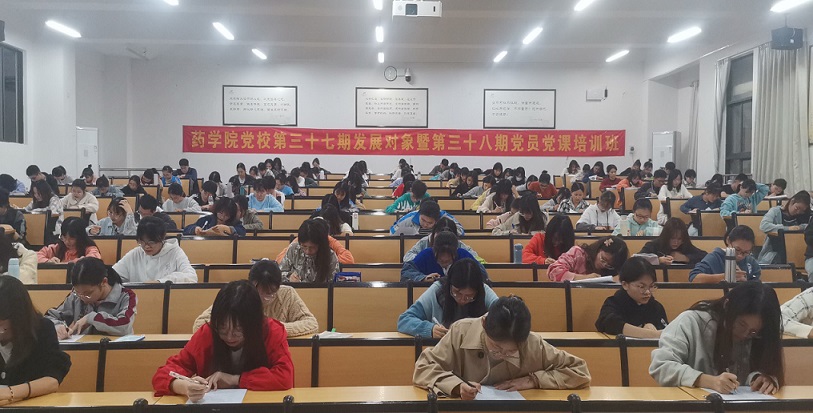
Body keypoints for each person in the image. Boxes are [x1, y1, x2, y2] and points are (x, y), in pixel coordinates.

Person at [413, 296, 590, 398]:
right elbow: (424, 367)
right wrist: (456, 386)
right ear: (484, 323)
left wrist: (534, 380)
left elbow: (580, 371)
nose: (501, 355)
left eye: (511, 351)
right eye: (495, 347)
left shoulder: (532, 343)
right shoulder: (461, 331)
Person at [153, 280, 294, 400]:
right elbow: (163, 374)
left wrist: (235, 379)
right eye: (222, 329)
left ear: (254, 324)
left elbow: (285, 377)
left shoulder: (271, 332)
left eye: (238, 330)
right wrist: (184, 387)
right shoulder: (207, 333)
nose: (229, 337)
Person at [649, 282, 783, 395]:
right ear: (727, 306)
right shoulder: (691, 321)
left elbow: (762, 368)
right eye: (741, 324)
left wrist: (761, 379)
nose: (744, 334)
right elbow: (661, 366)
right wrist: (708, 381)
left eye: (753, 332)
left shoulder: (759, 336)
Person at [193, 260, 318, 337]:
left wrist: (273, 329)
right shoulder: (238, 293)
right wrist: (237, 328)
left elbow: (311, 323)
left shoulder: (287, 294)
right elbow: (199, 324)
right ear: (250, 283)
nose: (264, 299)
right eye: (258, 293)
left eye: (270, 293)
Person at [0, 275, 72, 406]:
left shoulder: (42, 330)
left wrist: (9, 392)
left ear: (18, 316)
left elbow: (52, 381)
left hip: (30, 406)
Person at [398, 259, 497, 338]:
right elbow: (404, 320)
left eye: (469, 296)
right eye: (457, 293)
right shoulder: (438, 289)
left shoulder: (484, 291)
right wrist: (429, 329)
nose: (462, 300)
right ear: (449, 285)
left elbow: (502, 317)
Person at [45, 257, 136, 338]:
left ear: (103, 282)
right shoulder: (76, 296)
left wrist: (91, 318)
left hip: (115, 349)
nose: (82, 298)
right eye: (78, 293)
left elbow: (125, 326)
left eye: (88, 294)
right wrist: (58, 326)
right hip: (83, 347)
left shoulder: (125, 296)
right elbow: (49, 317)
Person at [595, 257, 668, 339]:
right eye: (641, 286)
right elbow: (609, 323)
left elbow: (666, 331)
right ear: (625, 285)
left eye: (651, 286)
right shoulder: (614, 303)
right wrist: (649, 334)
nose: (647, 292)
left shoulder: (656, 307)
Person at [113, 217, 197, 283]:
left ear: (162, 238)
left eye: (151, 242)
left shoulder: (175, 252)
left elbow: (191, 277)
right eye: (142, 242)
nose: (146, 247)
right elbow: (114, 274)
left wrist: (160, 282)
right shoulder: (136, 253)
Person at [689, 225, 761, 283]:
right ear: (728, 241)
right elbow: (694, 278)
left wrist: (746, 283)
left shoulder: (751, 262)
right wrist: (726, 277)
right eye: (737, 249)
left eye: (746, 252)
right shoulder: (715, 257)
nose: (740, 255)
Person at [402, 231, 479, 282]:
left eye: (448, 261)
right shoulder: (426, 254)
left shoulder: (464, 256)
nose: (444, 262)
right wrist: (423, 278)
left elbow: (481, 274)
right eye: (440, 260)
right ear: (434, 251)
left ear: (455, 252)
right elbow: (406, 272)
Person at [757, 191, 810, 264]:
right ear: (792, 201)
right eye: (797, 208)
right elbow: (764, 226)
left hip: (795, 252)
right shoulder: (775, 211)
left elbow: (808, 226)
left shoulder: (802, 216)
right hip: (774, 251)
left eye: (802, 211)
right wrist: (788, 229)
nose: (798, 212)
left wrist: (800, 227)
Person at [403, 217, 486, 264]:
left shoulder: (459, 245)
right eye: (440, 235)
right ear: (434, 233)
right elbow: (407, 257)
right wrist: (425, 258)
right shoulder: (424, 242)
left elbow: (476, 259)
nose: (443, 239)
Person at [275, 218, 354, 265]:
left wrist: (324, 261)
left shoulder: (329, 240)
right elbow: (279, 260)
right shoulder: (299, 241)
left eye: (312, 247)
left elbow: (349, 259)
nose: (308, 251)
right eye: (304, 247)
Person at [547, 236, 628, 281]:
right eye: (603, 259)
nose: (603, 265)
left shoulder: (611, 271)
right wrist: (584, 278)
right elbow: (553, 270)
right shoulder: (578, 253)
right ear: (598, 249)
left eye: (609, 265)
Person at [639, 218, 707, 266]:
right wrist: (658, 260)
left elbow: (705, 256)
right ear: (666, 236)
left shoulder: (685, 245)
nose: (676, 242)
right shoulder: (654, 244)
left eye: (679, 239)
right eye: (672, 238)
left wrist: (686, 258)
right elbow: (638, 259)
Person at [36, 217, 101, 263]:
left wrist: (69, 264)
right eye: (64, 237)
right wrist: (48, 262)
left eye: (71, 238)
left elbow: (93, 260)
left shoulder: (89, 248)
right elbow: (36, 256)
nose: (67, 242)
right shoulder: (58, 248)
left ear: (80, 237)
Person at [391, 200, 464, 237]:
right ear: (419, 214)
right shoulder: (410, 217)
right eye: (423, 220)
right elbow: (392, 231)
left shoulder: (445, 218)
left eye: (430, 223)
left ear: (436, 220)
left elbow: (461, 232)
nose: (425, 224)